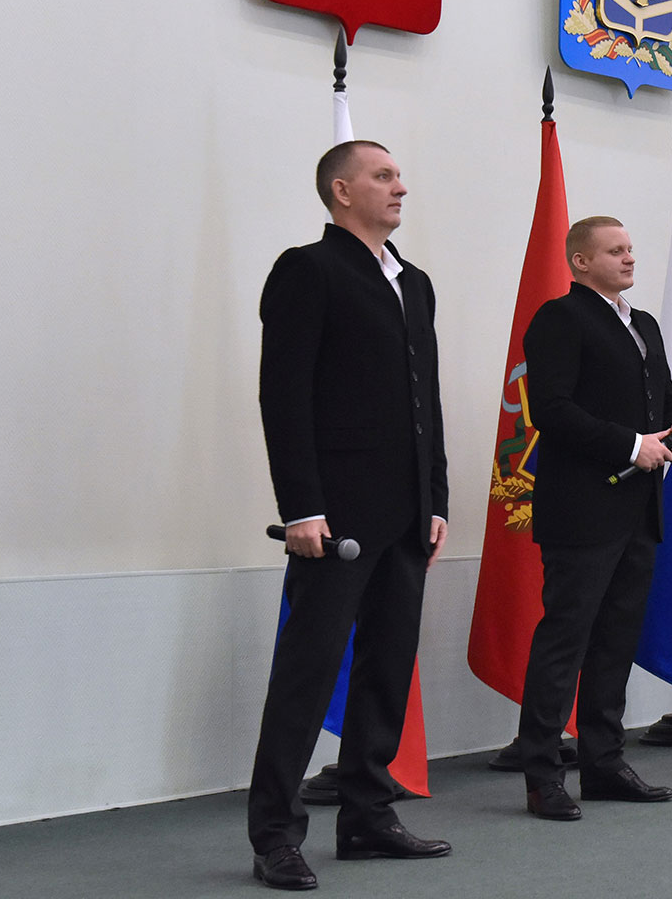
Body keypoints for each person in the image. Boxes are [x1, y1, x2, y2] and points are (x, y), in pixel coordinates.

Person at [249, 140, 452, 891]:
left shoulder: (414, 282)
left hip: (406, 515)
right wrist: (302, 506)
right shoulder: (308, 270)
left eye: (400, 175)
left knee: (387, 669)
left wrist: (436, 500)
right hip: (334, 521)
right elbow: (284, 395)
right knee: (306, 675)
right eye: (383, 176)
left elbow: (425, 401)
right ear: (341, 191)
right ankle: (275, 834)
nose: (401, 187)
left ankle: (368, 814)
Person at [516, 216, 672, 821]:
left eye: (631, 248)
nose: (629, 258)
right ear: (581, 261)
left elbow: (663, 396)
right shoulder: (560, 319)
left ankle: (604, 762)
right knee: (566, 641)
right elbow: (551, 410)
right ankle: (543, 774)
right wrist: (630, 444)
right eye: (615, 250)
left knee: (616, 640)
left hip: (639, 508)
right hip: (582, 509)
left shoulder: (642, 324)